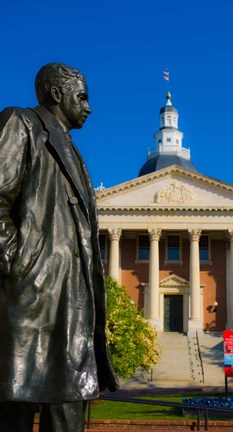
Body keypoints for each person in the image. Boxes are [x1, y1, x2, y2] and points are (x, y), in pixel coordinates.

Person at [0, 63, 119, 432]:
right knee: (15, 407)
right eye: (82, 97)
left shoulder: (74, 154)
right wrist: (16, 263)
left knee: (69, 411)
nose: (89, 107)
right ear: (56, 94)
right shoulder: (21, 124)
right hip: (29, 300)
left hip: (70, 308)